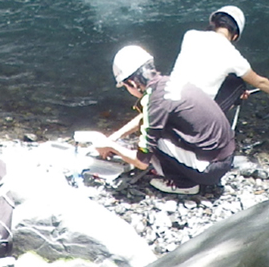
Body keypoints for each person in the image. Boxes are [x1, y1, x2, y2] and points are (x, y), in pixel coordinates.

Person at [100, 45, 236, 196]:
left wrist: (110, 146)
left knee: (152, 138)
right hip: (225, 158)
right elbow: (148, 116)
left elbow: (141, 162)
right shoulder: (169, 83)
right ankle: (187, 169)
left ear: (132, 83)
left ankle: (184, 184)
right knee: (152, 127)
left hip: (210, 170)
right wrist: (115, 136)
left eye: (125, 86)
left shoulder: (155, 101)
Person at [166, 5, 269, 116]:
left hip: (168, 101)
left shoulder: (190, 35)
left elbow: (206, 65)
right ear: (235, 35)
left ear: (214, 24)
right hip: (193, 112)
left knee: (227, 77)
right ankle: (213, 122)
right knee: (237, 83)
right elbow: (260, 82)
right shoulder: (234, 57)